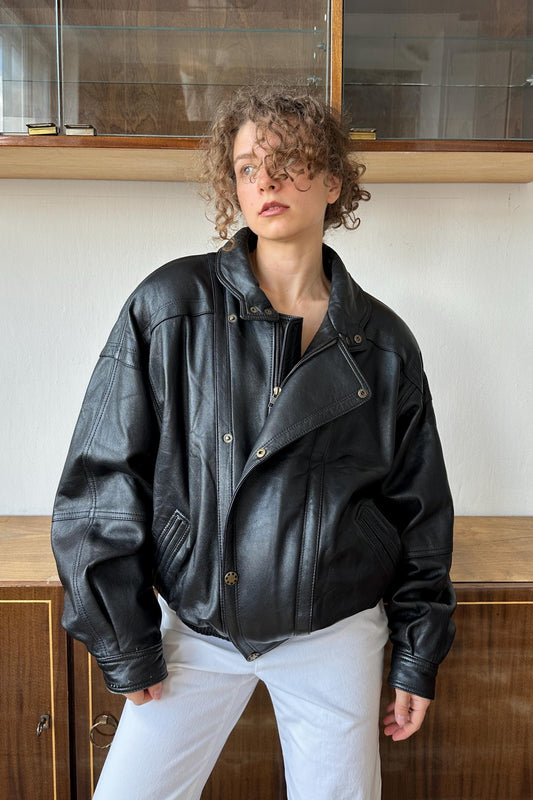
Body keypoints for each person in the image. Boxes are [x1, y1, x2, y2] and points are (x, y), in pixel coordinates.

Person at [51, 86, 455, 800]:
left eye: (287, 161)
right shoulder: (168, 307)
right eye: (245, 167)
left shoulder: (385, 345)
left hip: (334, 631)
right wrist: (126, 641)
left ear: (333, 182)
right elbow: (100, 480)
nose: (264, 181)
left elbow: (418, 513)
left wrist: (415, 658)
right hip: (196, 624)